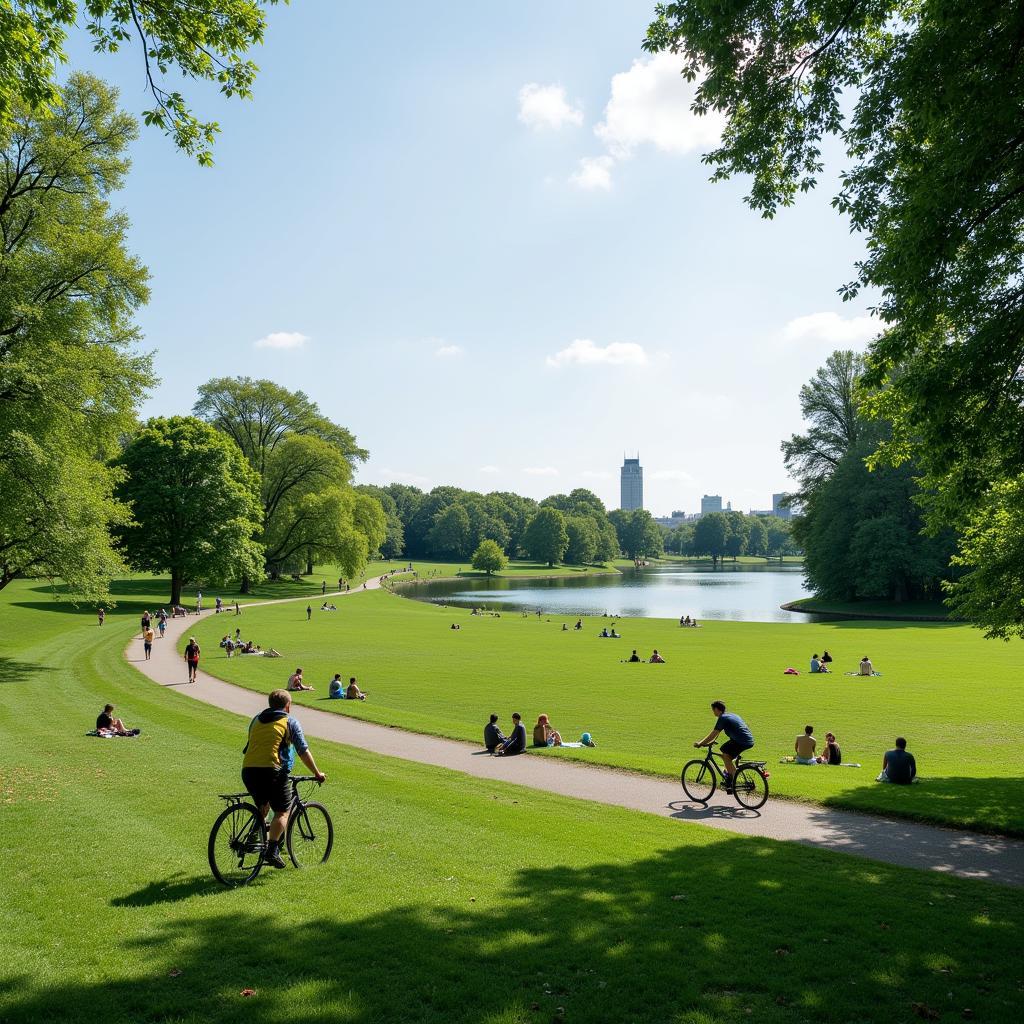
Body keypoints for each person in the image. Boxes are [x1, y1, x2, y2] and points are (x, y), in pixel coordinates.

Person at [241, 689, 326, 869]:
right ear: (288, 706)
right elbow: (302, 750)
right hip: (273, 771)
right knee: (282, 811)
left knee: (263, 808)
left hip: (248, 770)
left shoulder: (256, 719)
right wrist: (317, 773)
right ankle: (272, 850)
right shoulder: (289, 721)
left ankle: (252, 839)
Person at [694, 700, 754, 790]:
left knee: (725, 753)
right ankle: (730, 772)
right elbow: (718, 732)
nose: (713, 712)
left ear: (717, 709)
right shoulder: (732, 715)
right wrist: (712, 741)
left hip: (741, 741)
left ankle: (733, 779)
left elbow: (714, 733)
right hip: (748, 740)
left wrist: (701, 743)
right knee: (725, 751)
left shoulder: (722, 718)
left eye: (713, 710)